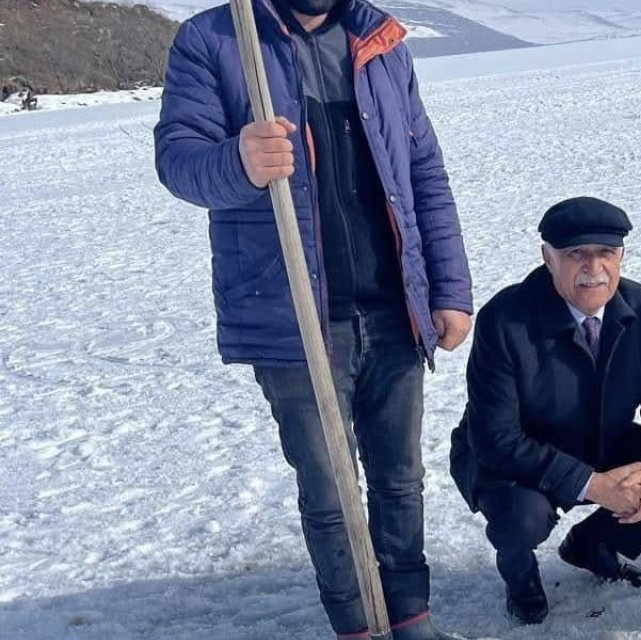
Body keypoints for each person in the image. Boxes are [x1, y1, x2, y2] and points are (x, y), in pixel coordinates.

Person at [153, 0, 472, 638]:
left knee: (400, 481)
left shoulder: (379, 41)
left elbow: (423, 172)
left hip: (391, 306)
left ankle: (413, 621)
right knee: (331, 494)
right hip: (294, 315)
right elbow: (178, 163)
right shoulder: (215, 40)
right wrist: (239, 160)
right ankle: (357, 627)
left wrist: (449, 286)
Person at [449, 196, 641, 624]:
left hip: (599, 440)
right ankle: (520, 580)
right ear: (548, 259)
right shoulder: (506, 320)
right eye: (577, 254)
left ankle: (589, 545)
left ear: (622, 257)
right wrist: (592, 484)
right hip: (512, 460)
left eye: (606, 253)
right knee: (522, 518)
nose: (594, 267)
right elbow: (495, 439)